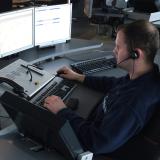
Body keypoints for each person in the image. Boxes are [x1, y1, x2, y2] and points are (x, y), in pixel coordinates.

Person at [43, 20, 160, 156]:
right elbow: (115, 84)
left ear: (136, 54)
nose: (114, 51)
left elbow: (97, 143)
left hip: (95, 148)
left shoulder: (134, 102)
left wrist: (62, 111)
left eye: (118, 47)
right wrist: (79, 77)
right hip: (97, 128)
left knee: (39, 129)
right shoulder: (145, 76)